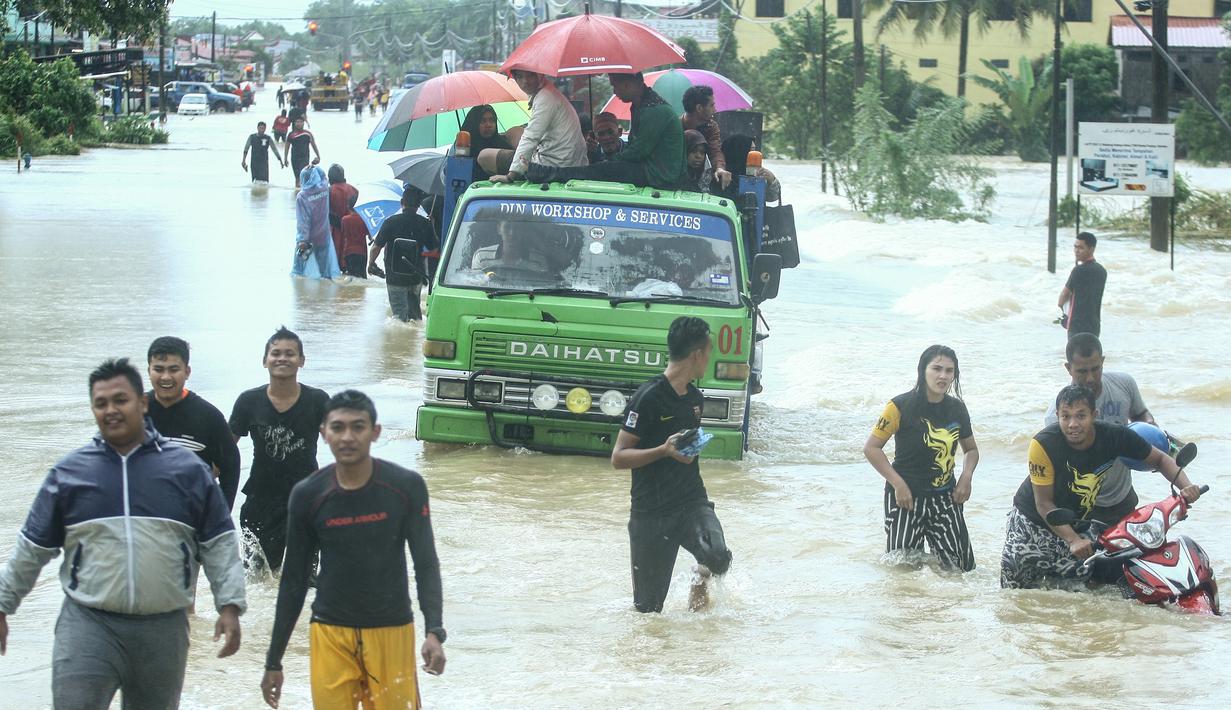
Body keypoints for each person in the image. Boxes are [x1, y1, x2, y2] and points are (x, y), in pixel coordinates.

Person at [0, 358, 246, 708]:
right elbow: (31, 548)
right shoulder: (70, 474)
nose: (111, 410)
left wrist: (230, 605)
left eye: (120, 400)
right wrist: (3, 604)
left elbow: (219, 543)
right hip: (88, 623)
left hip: (163, 628)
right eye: (101, 403)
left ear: (142, 403)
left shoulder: (188, 472)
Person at [260, 391, 445, 709]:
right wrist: (273, 661)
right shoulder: (307, 495)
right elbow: (293, 580)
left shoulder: (405, 487)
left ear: (375, 432)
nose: (347, 437)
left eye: (358, 427)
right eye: (338, 427)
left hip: (391, 630)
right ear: (324, 433)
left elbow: (426, 562)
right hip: (330, 631)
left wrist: (434, 631)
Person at [1000, 385, 1202, 590]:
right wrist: (1073, 540)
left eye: (1081, 416)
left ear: (1094, 415)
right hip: (1031, 525)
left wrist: (1186, 487)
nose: (1072, 424)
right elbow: (1043, 503)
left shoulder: (1114, 436)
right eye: (1065, 416)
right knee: (1014, 594)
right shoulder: (1043, 444)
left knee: (1089, 594)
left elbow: (1160, 459)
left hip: (1078, 524)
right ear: (1057, 416)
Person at [611, 317, 733, 613]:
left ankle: (699, 586)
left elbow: (683, 447)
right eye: (709, 352)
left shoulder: (695, 398)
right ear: (697, 355)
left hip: (691, 501)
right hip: (651, 511)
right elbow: (619, 457)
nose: (709, 359)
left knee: (717, 556)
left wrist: (690, 447)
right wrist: (663, 451)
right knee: (648, 612)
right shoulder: (648, 397)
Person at [864, 345, 979, 572]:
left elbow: (971, 450)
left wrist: (966, 477)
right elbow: (872, 448)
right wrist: (898, 484)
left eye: (949, 371)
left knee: (959, 571)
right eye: (937, 368)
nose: (943, 376)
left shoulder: (957, 409)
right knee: (903, 570)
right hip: (905, 497)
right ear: (922, 370)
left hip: (946, 498)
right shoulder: (898, 406)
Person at [230, 327, 330, 573]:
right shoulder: (249, 402)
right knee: (259, 577)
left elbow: (341, 443)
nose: (282, 358)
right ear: (265, 360)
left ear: (301, 361)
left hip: (307, 498)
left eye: (290, 353)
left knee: (304, 578)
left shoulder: (317, 400)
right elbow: (225, 448)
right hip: (261, 499)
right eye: (276, 353)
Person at [1042, 333, 1155, 527]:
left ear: (1103, 361)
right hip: (1085, 505)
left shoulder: (1124, 384)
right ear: (1068, 369)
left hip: (1123, 495)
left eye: (1096, 369)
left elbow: (1141, 414)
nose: (1090, 378)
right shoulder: (1056, 417)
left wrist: (1150, 428)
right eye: (1082, 371)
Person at [521, 73, 685, 190]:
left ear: (627, 85)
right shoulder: (641, 105)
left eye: (614, 86)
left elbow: (638, 151)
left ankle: (542, 173)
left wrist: (610, 163)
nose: (614, 91)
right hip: (648, 170)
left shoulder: (653, 111)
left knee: (599, 170)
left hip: (659, 176)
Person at [147, 336, 243, 510]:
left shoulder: (208, 416)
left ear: (187, 372)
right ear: (149, 371)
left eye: (174, 369)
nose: (166, 377)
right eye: (158, 369)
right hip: (143, 514)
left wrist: (221, 514)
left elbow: (231, 466)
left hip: (192, 514)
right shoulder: (134, 412)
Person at [480, 69, 587, 180]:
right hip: (567, 161)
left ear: (540, 75)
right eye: (520, 77)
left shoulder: (545, 97)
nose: (525, 81)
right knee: (514, 131)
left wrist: (511, 175)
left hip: (553, 166)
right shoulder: (547, 92)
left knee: (484, 156)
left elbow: (531, 137)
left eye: (530, 75)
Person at [370, 188, 435, 322]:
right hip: (415, 276)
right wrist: (431, 226)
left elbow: (376, 247)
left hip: (395, 277)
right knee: (415, 316)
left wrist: (370, 263)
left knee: (399, 317)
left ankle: (402, 335)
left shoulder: (390, 222)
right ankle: (416, 334)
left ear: (401, 202)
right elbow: (434, 249)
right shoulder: (424, 223)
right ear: (418, 205)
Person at [292, 165, 341, 280]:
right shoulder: (324, 189)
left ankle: (300, 290)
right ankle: (326, 287)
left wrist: (302, 239)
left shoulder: (302, 196)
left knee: (298, 272)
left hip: (308, 238)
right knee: (325, 272)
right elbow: (324, 176)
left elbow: (303, 220)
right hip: (324, 236)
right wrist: (315, 167)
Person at [680, 85, 732, 190]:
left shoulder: (711, 127)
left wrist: (720, 168)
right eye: (711, 105)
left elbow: (715, 150)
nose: (715, 109)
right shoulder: (675, 127)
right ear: (699, 108)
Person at [1058, 231, 1107, 337]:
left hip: (1076, 326)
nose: (1076, 251)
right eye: (1075, 247)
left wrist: (1062, 309)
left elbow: (1064, 296)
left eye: (1081, 248)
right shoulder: (1102, 271)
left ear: (1091, 249)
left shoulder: (1078, 270)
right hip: (1094, 326)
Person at [719, 134, 780, 202]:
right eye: (751, 150)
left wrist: (771, 180)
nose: (754, 154)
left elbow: (772, 198)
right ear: (740, 150)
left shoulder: (757, 173)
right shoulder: (720, 173)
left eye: (754, 150)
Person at [460, 104, 513, 180]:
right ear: (474, 124)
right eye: (483, 121)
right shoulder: (464, 148)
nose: (488, 125)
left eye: (491, 120)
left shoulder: (501, 143)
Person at [328, 164, 359, 267]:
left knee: (334, 265)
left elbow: (325, 213)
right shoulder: (354, 190)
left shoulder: (329, 190)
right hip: (353, 233)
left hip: (335, 231)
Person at [339, 192, 370, 279]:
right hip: (362, 252)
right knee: (362, 278)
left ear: (348, 206)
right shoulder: (365, 220)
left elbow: (343, 235)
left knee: (352, 278)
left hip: (348, 252)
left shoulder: (344, 220)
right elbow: (369, 235)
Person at [284, 117, 320, 189]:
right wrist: (285, 158)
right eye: (297, 122)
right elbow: (287, 146)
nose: (299, 124)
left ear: (303, 123)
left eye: (301, 122)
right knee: (297, 177)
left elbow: (313, 145)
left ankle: (303, 190)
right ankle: (297, 192)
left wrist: (318, 156)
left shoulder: (308, 134)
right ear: (294, 123)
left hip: (304, 158)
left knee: (302, 174)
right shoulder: (291, 134)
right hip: (294, 158)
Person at [682, 129, 712, 193]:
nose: (698, 156)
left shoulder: (705, 175)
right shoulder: (673, 174)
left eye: (702, 152)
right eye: (694, 151)